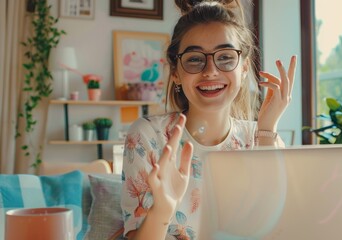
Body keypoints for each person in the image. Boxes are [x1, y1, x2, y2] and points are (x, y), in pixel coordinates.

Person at [120, 0, 297, 239]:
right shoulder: (148, 136)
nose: (211, 71)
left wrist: (266, 131)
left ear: (244, 68)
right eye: (194, 59)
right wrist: (162, 209)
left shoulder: (261, 137)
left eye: (225, 57)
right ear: (176, 73)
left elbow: (280, 228)